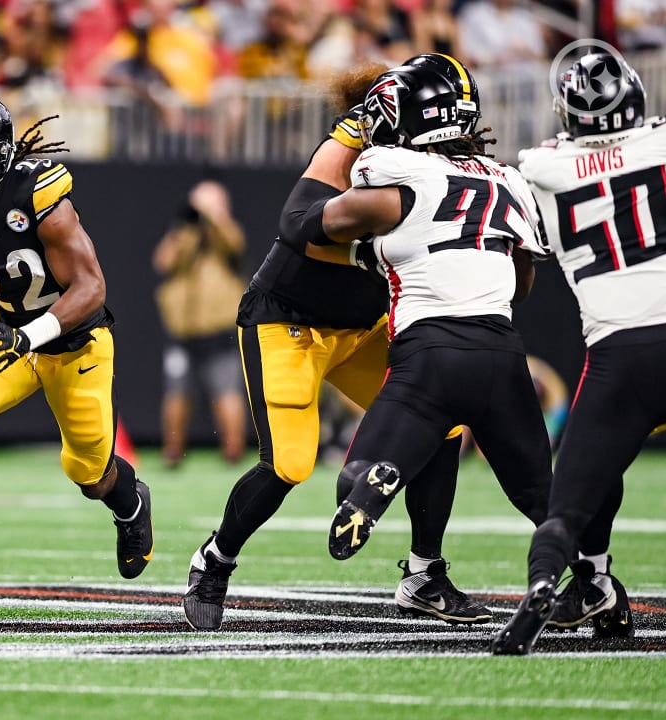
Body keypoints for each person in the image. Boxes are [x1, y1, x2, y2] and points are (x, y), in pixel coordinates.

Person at [182, 56, 485, 633]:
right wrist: (373, 235)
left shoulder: (449, 161)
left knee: (443, 427)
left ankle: (424, 574)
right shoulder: (356, 148)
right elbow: (300, 227)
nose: (452, 137)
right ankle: (214, 560)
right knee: (291, 464)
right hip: (290, 321)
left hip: (364, 323)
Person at [0, 91, 153, 593]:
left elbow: (91, 287)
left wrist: (31, 335)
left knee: (91, 475)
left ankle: (132, 504)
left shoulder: (38, 191)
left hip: (74, 341)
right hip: (5, 330)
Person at [316, 63, 553, 577]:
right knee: (544, 499)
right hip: (501, 354)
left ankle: (387, 473)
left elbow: (321, 223)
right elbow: (523, 284)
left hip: (428, 354)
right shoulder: (508, 179)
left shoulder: (396, 172)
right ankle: (596, 581)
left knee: (353, 475)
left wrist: (373, 250)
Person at [493, 51, 651, 655]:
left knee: (570, 500)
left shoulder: (540, 166)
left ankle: (567, 581)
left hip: (618, 353)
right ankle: (596, 587)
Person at [153, 179, 248, 466]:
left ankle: (233, 451)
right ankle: (172, 451)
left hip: (218, 331)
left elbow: (236, 245)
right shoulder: (184, 234)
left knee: (227, 390)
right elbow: (163, 262)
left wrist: (216, 216)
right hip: (184, 332)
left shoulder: (227, 234)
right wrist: (182, 226)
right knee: (176, 392)